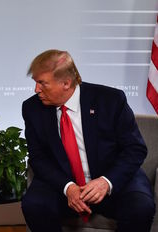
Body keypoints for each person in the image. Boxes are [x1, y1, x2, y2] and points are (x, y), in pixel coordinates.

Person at [21, 49, 155, 232]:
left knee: (140, 207)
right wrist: (68, 187)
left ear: (66, 83)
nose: (37, 90)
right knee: (34, 204)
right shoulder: (32, 108)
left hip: (111, 179)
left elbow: (135, 149)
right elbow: (38, 157)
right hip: (63, 184)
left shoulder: (110, 100)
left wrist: (106, 182)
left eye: (42, 83)